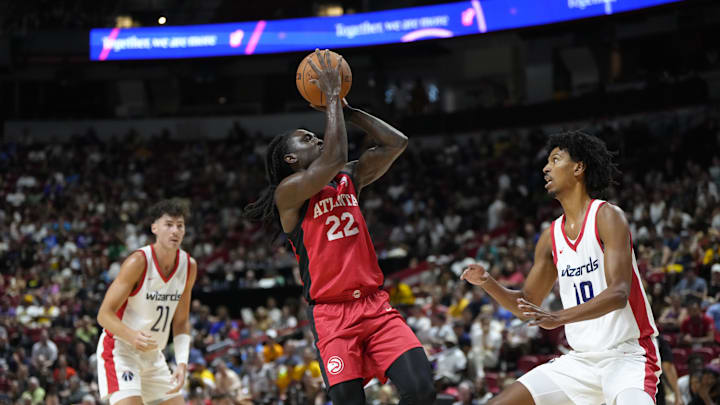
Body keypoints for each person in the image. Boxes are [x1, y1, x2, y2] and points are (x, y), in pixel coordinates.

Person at [243, 49, 435, 405]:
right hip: (332, 315)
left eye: (315, 136)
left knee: (421, 390)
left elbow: (397, 142)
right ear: (290, 159)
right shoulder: (289, 194)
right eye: (306, 139)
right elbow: (331, 157)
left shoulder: (349, 177)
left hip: (376, 307)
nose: (316, 139)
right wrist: (330, 96)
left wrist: (350, 111)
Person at [461, 130, 661, 405]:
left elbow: (618, 294)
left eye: (555, 160)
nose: (545, 168)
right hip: (581, 361)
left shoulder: (607, 216)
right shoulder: (549, 237)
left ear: (578, 167)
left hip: (628, 356)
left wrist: (558, 317)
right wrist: (488, 283)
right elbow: (528, 304)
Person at [96, 198, 197, 405]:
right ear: (154, 228)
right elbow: (104, 314)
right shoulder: (138, 261)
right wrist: (131, 335)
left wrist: (182, 362)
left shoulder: (188, 266)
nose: (175, 231)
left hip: (154, 355)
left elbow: (180, 322)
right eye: (169, 225)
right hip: (121, 350)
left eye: (180, 226)